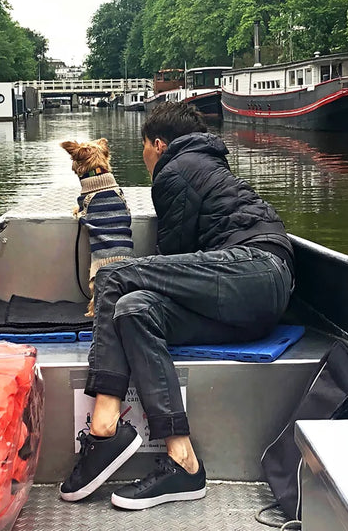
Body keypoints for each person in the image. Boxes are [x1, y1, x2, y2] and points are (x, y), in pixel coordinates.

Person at [59, 101, 295, 510]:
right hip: (250, 302)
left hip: (254, 268)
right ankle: (183, 461)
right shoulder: (207, 166)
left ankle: (104, 428)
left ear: (158, 144)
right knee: (135, 308)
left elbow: (174, 254)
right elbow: (176, 275)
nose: (146, 159)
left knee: (115, 277)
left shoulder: (175, 169)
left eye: (145, 150)